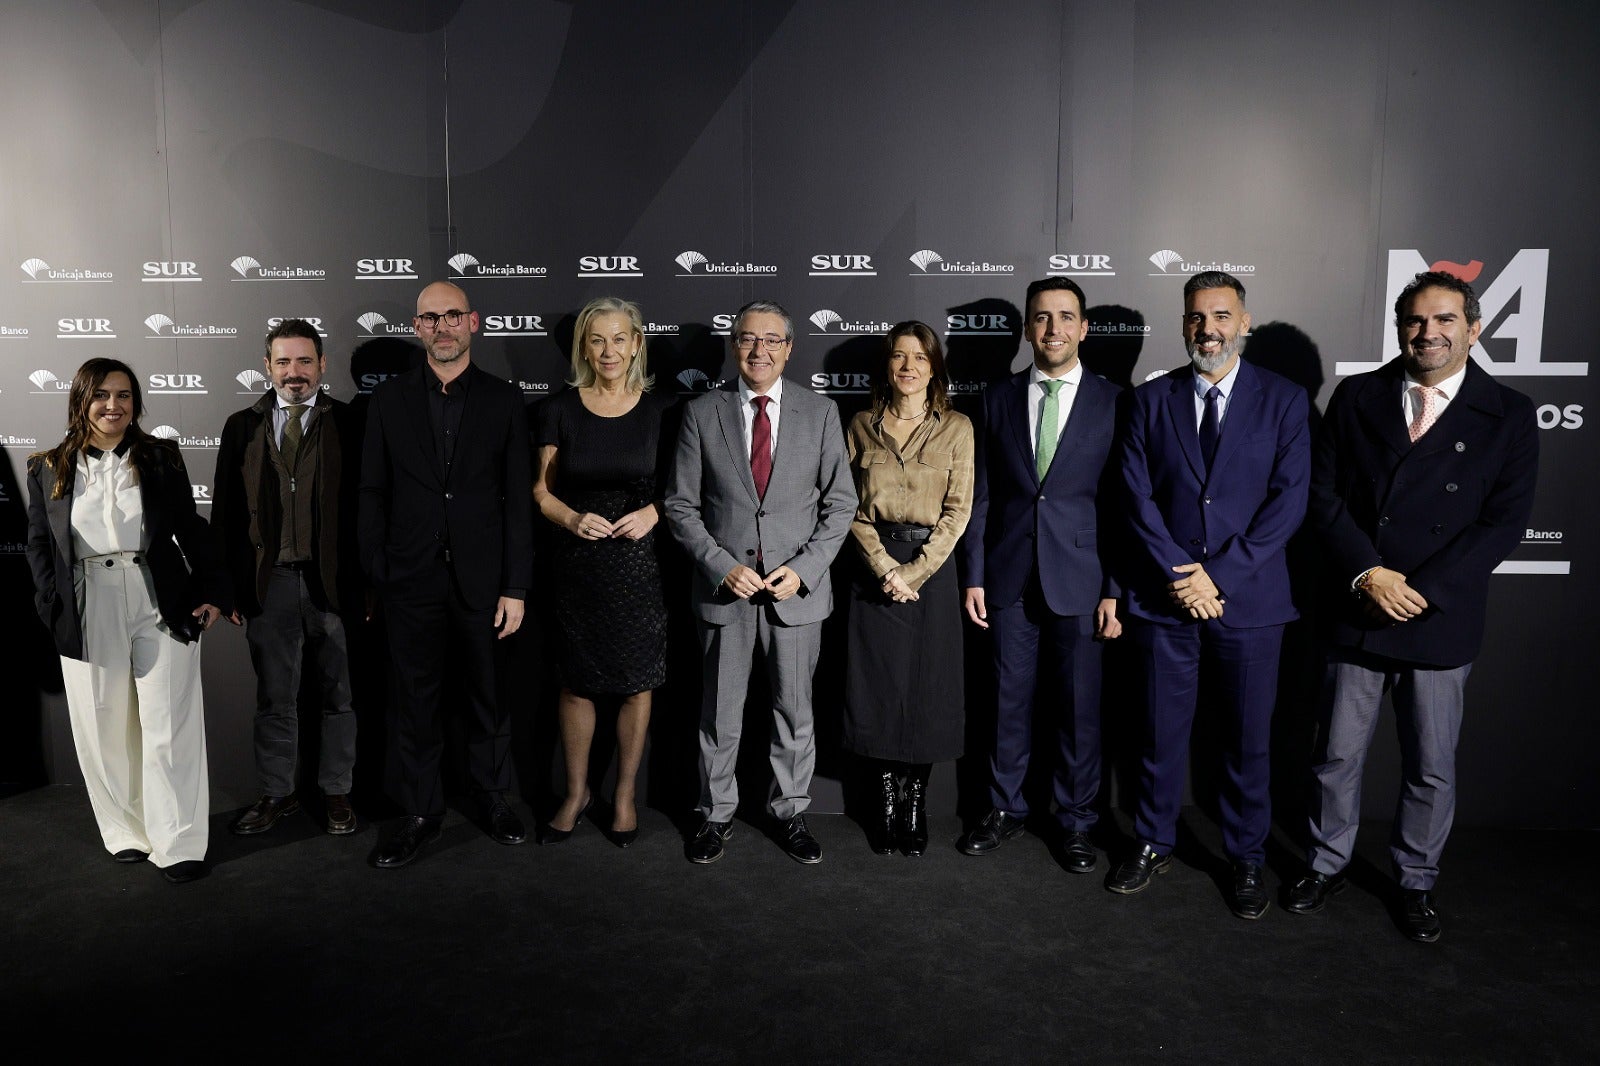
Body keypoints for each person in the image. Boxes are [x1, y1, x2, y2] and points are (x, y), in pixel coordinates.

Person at [1289, 270, 1538, 942]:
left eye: (1444, 320)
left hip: (1439, 616)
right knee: (1336, 755)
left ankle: (1416, 880)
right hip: (1360, 606)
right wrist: (1370, 573)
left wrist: (1419, 589)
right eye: (1415, 322)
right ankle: (1324, 861)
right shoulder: (1359, 394)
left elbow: (1504, 523)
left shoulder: (1509, 413)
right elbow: (1323, 495)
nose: (1427, 334)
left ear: (1474, 328)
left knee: (1431, 763)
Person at [1109, 271, 1310, 919]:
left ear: (1244, 322)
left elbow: (1288, 503)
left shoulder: (1284, 400)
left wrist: (1217, 576)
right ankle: (1152, 841)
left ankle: (1247, 855)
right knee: (1159, 735)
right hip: (1167, 604)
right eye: (1197, 317)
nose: (1209, 329)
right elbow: (1134, 497)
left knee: (1249, 741)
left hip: (1248, 605)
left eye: (1222, 316)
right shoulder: (1149, 400)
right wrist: (1179, 571)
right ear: (1184, 324)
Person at [665, 299, 856, 864]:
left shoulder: (820, 413)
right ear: (734, 346)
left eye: (772, 340)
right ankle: (715, 814)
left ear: (790, 348)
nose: (760, 350)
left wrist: (803, 569)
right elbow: (679, 506)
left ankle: (790, 812)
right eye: (749, 339)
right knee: (719, 713)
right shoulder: (702, 413)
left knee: (794, 711)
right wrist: (723, 566)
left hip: (795, 595)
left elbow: (841, 505)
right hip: (726, 593)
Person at [25, 358, 228, 884]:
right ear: (80, 400)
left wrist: (210, 591)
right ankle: (127, 832)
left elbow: (188, 524)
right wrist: (52, 607)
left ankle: (180, 841)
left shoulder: (161, 457)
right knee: (103, 726)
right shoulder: (47, 466)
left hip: (156, 594)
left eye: (124, 395)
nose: (113, 406)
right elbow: (40, 547)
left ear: (136, 402)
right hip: (87, 602)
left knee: (169, 725)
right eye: (101, 395)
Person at [358, 280, 534, 867]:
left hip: (485, 584)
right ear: (417, 328)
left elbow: (516, 498)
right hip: (410, 583)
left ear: (473, 323)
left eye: (452, 316)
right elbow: (372, 494)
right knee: (415, 702)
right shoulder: (386, 403)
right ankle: (419, 811)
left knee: (488, 698)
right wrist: (381, 573)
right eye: (430, 318)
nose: (442, 327)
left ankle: (491, 796)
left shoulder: (505, 400)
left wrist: (515, 586)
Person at [959, 277, 1123, 871]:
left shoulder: (1114, 399)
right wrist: (974, 573)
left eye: (1064, 317)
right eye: (1041, 318)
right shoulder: (996, 397)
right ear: (1028, 328)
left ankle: (1077, 821)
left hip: (1083, 579)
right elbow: (982, 495)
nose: (1052, 329)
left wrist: (1114, 589)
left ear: (1082, 328)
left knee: (1080, 709)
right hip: (1007, 577)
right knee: (1005, 701)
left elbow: (1122, 506)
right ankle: (1004, 810)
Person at [532, 297, 674, 848]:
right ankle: (575, 793)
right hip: (579, 563)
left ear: (637, 343)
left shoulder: (664, 410)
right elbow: (541, 490)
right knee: (576, 683)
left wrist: (653, 512)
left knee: (638, 684)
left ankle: (623, 794)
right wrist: (571, 518)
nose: (608, 351)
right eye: (597, 340)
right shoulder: (559, 409)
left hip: (642, 564)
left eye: (619, 339)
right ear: (583, 348)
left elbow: (683, 489)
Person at [213, 318, 363, 837]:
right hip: (268, 582)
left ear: (322, 364)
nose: (294, 372)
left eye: (304, 361)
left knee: (339, 696)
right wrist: (228, 587)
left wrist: (367, 584)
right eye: (283, 362)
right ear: (267, 367)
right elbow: (226, 516)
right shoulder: (242, 426)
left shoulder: (351, 422)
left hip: (334, 585)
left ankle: (337, 791)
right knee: (275, 699)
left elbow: (369, 512)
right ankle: (278, 793)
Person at [842, 321, 974, 856]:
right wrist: (882, 567)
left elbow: (958, 510)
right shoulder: (859, 425)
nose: (909, 367)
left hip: (932, 573)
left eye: (920, 358)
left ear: (933, 366)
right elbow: (847, 505)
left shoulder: (957, 427)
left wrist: (914, 572)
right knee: (877, 688)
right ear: (887, 365)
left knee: (926, 689)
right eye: (899, 357)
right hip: (873, 568)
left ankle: (914, 802)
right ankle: (886, 802)